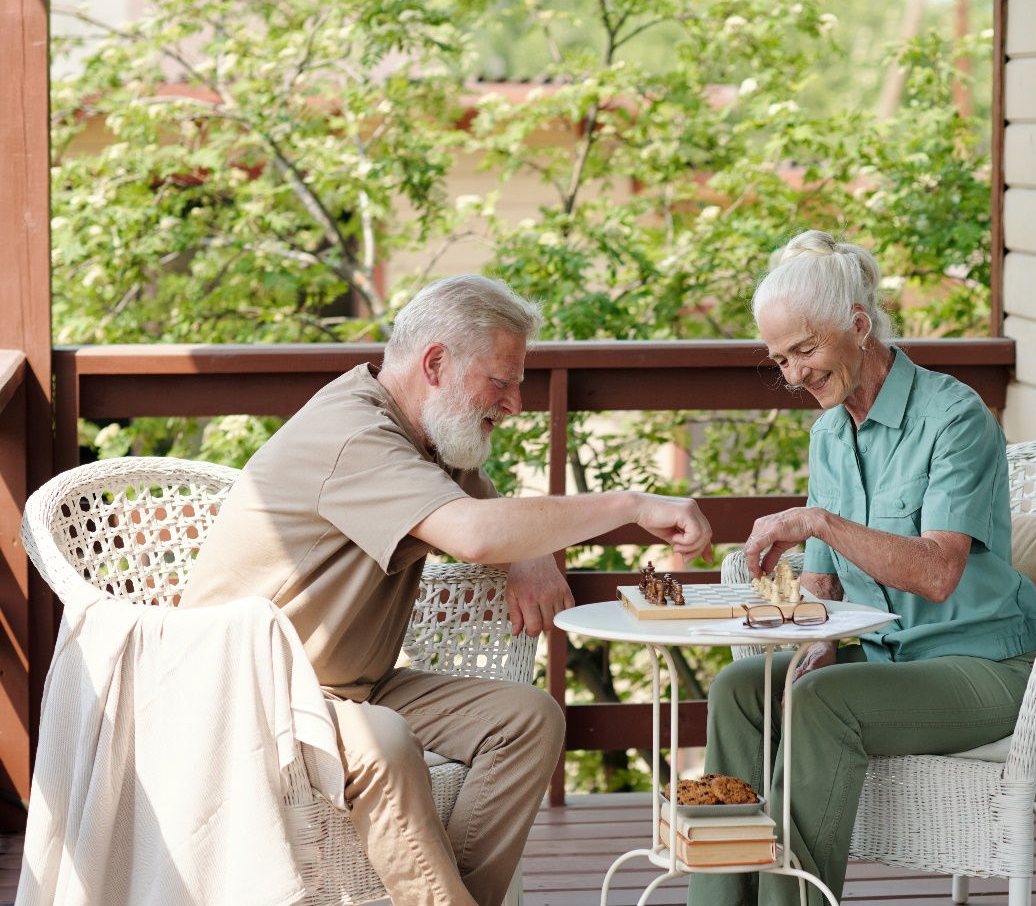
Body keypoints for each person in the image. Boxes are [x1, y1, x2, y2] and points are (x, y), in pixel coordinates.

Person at [181, 275, 713, 906]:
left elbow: (487, 512)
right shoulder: (355, 435)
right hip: (256, 692)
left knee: (529, 719)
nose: (517, 403)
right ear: (435, 363)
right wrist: (631, 504)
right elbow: (478, 534)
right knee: (385, 743)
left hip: (351, 683)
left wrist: (533, 550)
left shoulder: (428, 438)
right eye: (503, 380)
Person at [687, 231, 1036, 906]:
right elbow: (823, 585)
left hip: (983, 669)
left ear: (856, 324)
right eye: (778, 359)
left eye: (805, 351)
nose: (792, 375)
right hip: (883, 661)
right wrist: (813, 636)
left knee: (821, 704)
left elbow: (937, 573)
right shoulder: (828, 433)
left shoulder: (954, 417)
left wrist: (816, 521)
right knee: (739, 686)